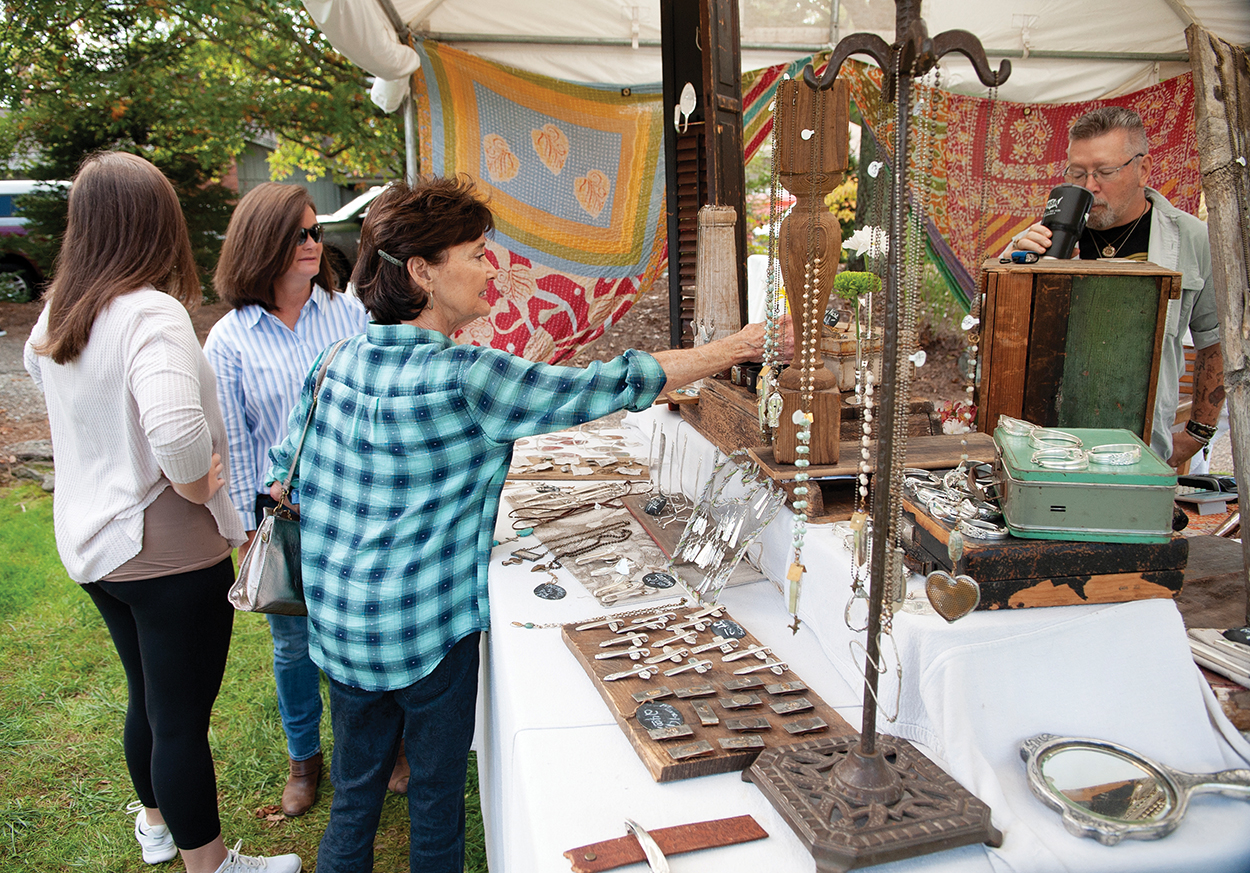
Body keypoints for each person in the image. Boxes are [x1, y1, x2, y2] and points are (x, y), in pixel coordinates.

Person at [265, 175, 788, 873]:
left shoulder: (334, 360)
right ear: (422, 271)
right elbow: (608, 382)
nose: (492, 269)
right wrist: (733, 348)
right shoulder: (466, 377)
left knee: (355, 801)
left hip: (344, 624)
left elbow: (286, 473)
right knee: (435, 810)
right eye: (477, 253)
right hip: (426, 636)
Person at [23, 152, 300, 872]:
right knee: (178, 718)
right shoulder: (150, 312)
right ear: (158, 224)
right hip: (165, 548)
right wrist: (195, 480)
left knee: (146, 694)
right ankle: (208, 863)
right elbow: (176, 431)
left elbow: (55, 384)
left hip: (95, 541)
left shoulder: (63, 309)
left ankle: (156, 824)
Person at [204, 183, 377, 817]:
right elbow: (235, 434)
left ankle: (378, 749)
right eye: (299, 234)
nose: (314, 244)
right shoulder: (228, 339)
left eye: (314, 231)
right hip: (284, 516)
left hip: (358, 503)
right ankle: (304, 759)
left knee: (362, 632)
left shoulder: (349, 312)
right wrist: (251, 524)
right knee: (293, 646)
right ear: (263, 243)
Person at [1005, 106, 1223, 468]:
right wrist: (1016, 268)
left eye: (1105, 172)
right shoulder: (1043, 241)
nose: (1089, 186)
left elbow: (1215, 341)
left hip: (1141, 444)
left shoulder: (1191, 239)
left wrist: (1197, 433)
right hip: (1048, 443)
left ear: (1143, 169)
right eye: (1077, 173)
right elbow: (995, 333)